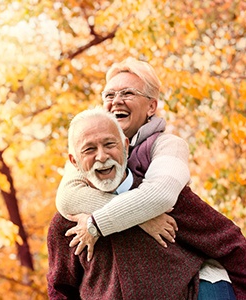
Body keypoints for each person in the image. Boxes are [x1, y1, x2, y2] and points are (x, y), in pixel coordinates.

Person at [52, 58, 246, 298]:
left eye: (128, 93)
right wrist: (142, 220)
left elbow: (160, 196)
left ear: (151, 107)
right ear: (76, 159)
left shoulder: (167, 145)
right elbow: (68, 197)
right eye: (109, 95)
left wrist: (97, 223)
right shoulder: (89, 154)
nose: (116, 101)